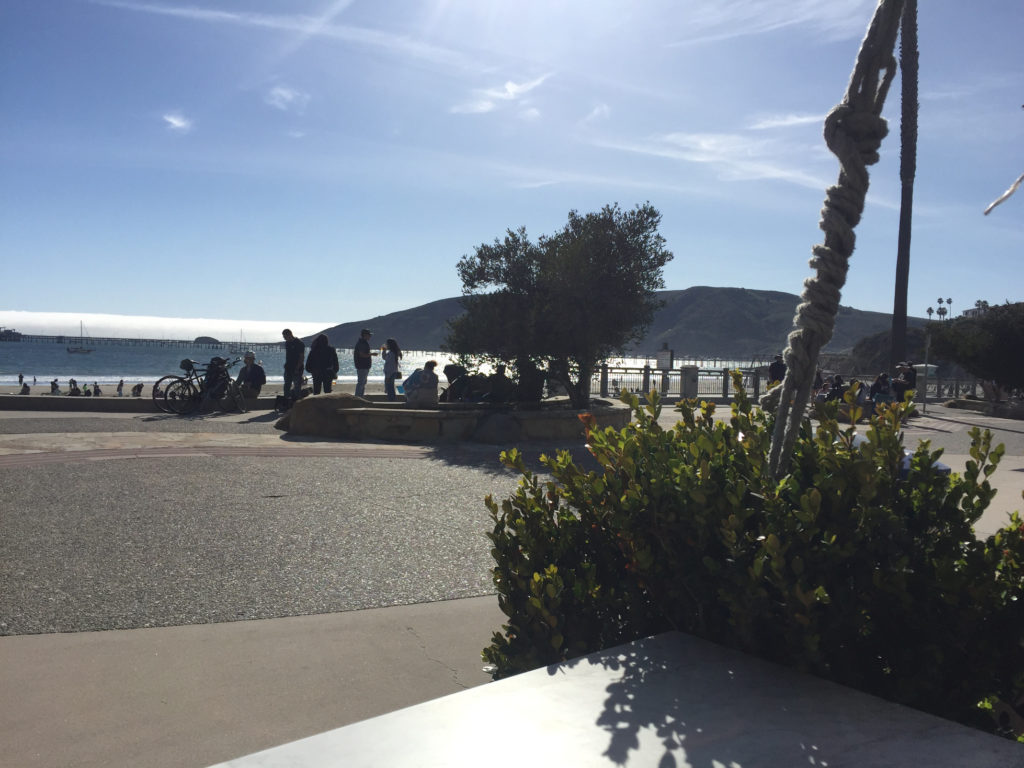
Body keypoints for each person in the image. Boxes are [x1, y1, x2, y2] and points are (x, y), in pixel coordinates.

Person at [282, 329, 306, 400]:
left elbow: (302, 357)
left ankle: (297, 402)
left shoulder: (299, 343)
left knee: (297, 387)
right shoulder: (287, 343)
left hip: (297, 369)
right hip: (288, 368)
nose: (284, 338)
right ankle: (286, 401)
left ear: (290, 335)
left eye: (285, 336)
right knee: (287, 385)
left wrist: (297, 368)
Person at [353, 328, 376, 397]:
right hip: (362, 366)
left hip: (364, 366)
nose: (370, 337)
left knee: (363, 383)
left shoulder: (363, 342)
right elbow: (362, 354)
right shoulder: (362, 343)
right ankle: (358, 398)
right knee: (361, 383)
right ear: (365, 335)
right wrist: (372, 354)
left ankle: (360, 397)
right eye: (369, 335)